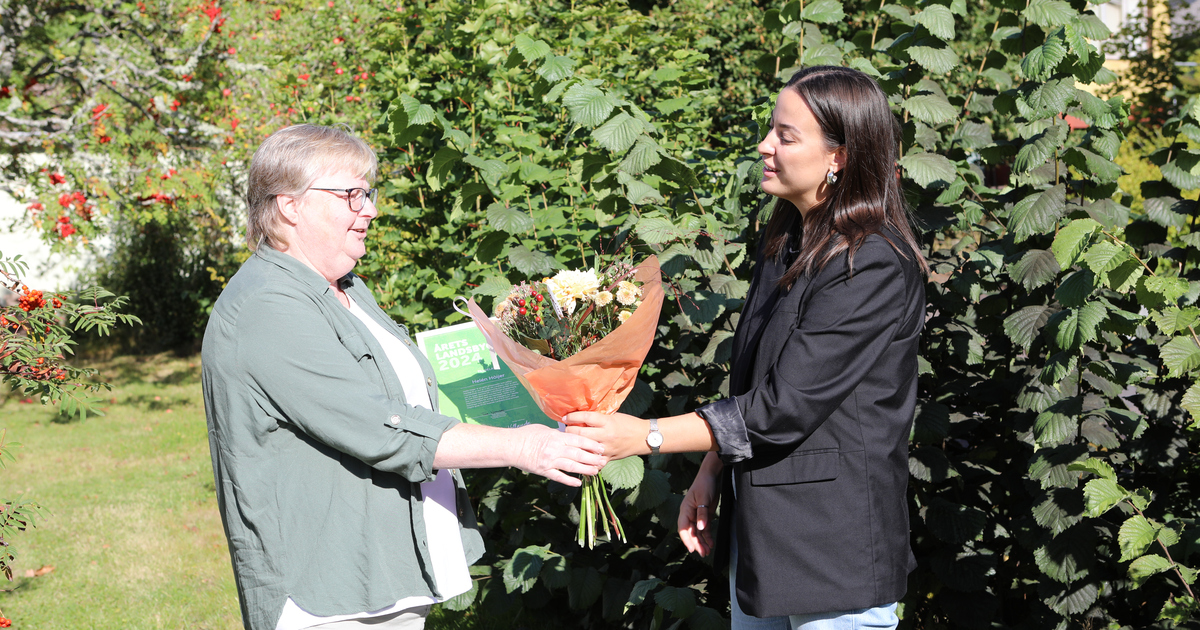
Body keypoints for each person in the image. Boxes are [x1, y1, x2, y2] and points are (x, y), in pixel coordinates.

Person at [564, 66, 928, 630]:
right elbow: (753, 384)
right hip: (764, 544)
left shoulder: (871, 261)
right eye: (771, 129)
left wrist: (647, 436)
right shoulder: (788, 238)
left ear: (841, 156)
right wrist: (710, 471)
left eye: (787, 135)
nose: (765, 146)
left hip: (833, 553)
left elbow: (785, 404)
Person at [202, 124, 607, 630]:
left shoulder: (345, 287)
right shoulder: (268, 306)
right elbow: (380, 426)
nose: (369, 210)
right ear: (290, 205)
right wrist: (525, 448)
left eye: (368, 193)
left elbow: (402, 393)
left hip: (385, 572)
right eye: (351, 195)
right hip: (331, 589)